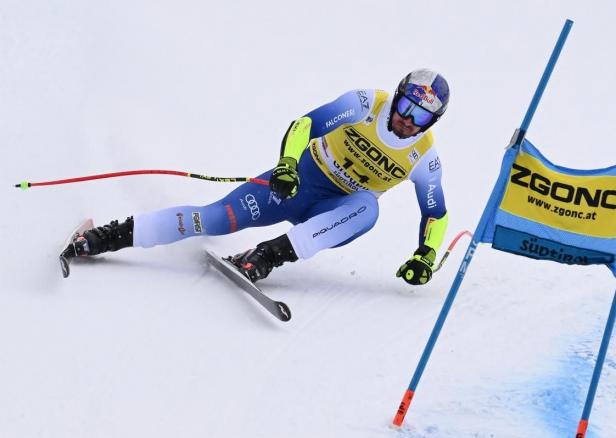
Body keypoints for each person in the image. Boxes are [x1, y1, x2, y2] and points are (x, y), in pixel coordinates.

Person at [61, 69, 450, 285]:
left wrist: (427, 254)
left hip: (336, 208)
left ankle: (267, 256)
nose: (405, 120)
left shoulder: (424, 157)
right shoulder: (365, 103)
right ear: (396, 95)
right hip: (299, 182)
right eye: (404, 105)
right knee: (213, 219)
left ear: (432, 122)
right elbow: (306, 124)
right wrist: (288, 165)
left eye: (419, 117)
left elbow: (436, 213)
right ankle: (104, 237)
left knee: (367, 208)